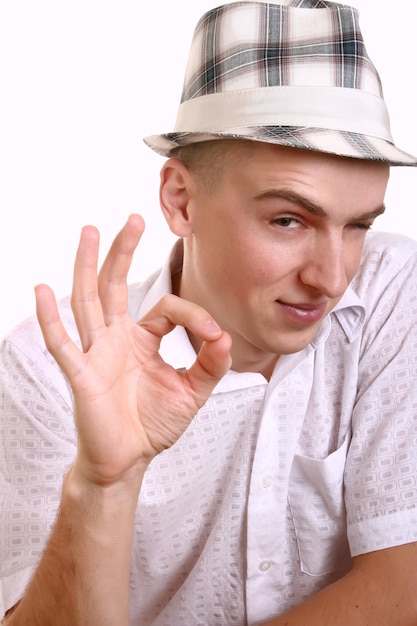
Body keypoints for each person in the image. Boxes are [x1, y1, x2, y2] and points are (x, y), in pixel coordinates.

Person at [1, 0, 417, 623]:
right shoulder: (48, 369)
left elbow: (401, 588)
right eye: (287, 220)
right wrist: (102, 487)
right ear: (180, 200)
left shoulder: (392, 292)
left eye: (357, 225)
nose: (331, 278)